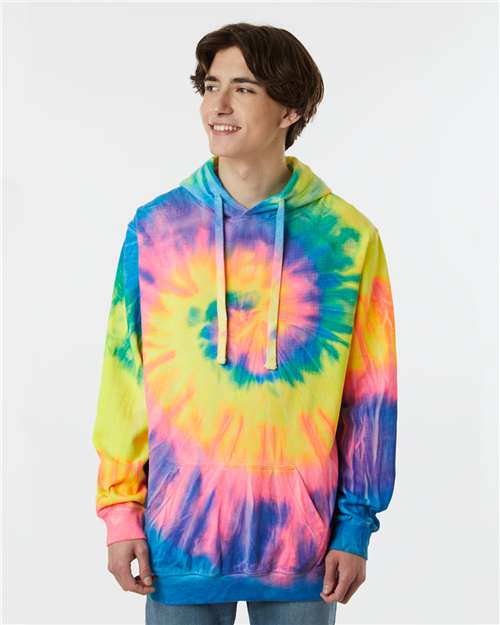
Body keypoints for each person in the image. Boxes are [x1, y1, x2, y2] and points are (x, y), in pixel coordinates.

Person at [91, 22, 398, 625]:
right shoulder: (157, 229)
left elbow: (371, 395)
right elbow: (125, 377)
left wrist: (356, 526)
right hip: (180, 540)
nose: (218, 105)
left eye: (244, 89)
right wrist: (120, 511)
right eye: (211, 86)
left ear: (291, 109)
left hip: (303, 545)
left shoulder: (346, 238)